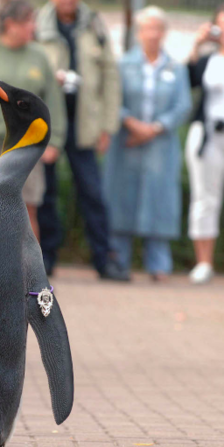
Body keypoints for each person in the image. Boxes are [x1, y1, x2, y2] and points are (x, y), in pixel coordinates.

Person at [35, 0, 128, 280]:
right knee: (44, 192)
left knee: (92, 193)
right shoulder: (38, 25)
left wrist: (107, 126)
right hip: (48, 122)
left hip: (84, 122)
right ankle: (45, 259)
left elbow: (111, 76)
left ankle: (104, 259)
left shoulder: (94, 24)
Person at [0, 0, 66, 239]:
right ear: (10, 25)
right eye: (28, 21)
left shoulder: (39, 56)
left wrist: (55, 139)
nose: (33, 27)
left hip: (27, 149)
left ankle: (27, 273)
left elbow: (53, 102)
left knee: (27, 211)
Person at [102, 6, 191, 281]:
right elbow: (113, 99)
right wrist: (132, 123)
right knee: (121, 197)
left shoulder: (176, 68)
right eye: (147, 28)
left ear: (164, 33)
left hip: (160, 144)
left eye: (157, 29)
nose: (152, 34)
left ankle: (159, 264)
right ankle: (119, 261)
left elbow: (183, 105)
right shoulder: (123, 64)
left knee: (159, 199)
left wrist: (153, 128)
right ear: (139, 33)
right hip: (126, 141)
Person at [185, 3, 224, 284]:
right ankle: (204, 262)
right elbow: (187, 79)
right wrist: (197, 44)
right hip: (208, 135)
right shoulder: (210, 59)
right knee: (204, 197)